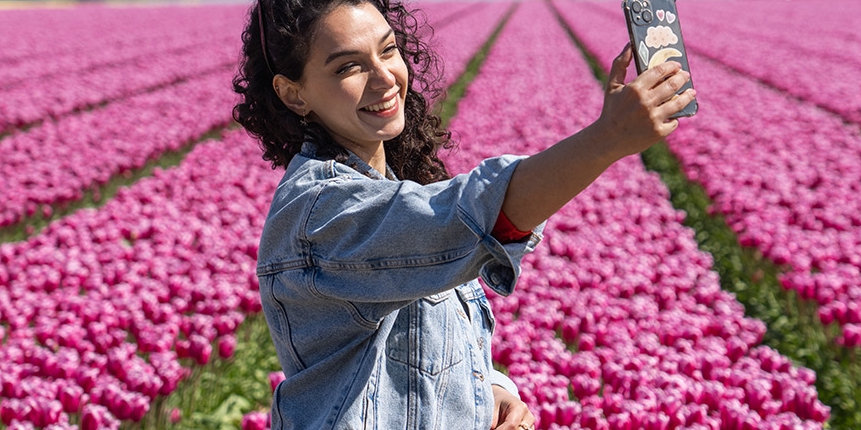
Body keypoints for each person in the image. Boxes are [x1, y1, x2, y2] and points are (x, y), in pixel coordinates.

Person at [231, 0, 695, 427]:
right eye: (349, 66)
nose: (384, 78)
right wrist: (606, 139)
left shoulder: (392, 186)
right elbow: (472, 218)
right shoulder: (320, 214)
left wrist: (487, 390)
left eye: (387, 50)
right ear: (294, 94)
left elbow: (416, 348)